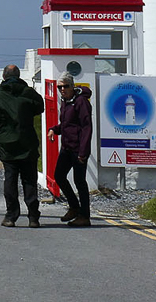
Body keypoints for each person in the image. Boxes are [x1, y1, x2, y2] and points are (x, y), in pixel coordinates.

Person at [0, 64, 45, 228]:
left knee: (10, 179)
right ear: (19, 75)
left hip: (7, 142)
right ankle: (33, 217)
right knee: (30, 180)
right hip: (28, 141)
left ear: (3, 76)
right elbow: (40, 107)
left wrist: (0, 119)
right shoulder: (29, 93)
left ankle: (11, 216)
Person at [48, 72, 93, 227]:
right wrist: (55, 129)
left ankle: (84, 216)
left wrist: (83, 152)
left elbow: (86, 127)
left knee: (80, 181)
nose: (62, 89)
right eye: (59, 86)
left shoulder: (81, 102)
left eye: (65, 86)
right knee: (59, 176)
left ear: (72, 86)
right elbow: (67, 124)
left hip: (78, 149)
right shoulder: (66, 101)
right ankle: (74, 207)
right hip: (67, 147)